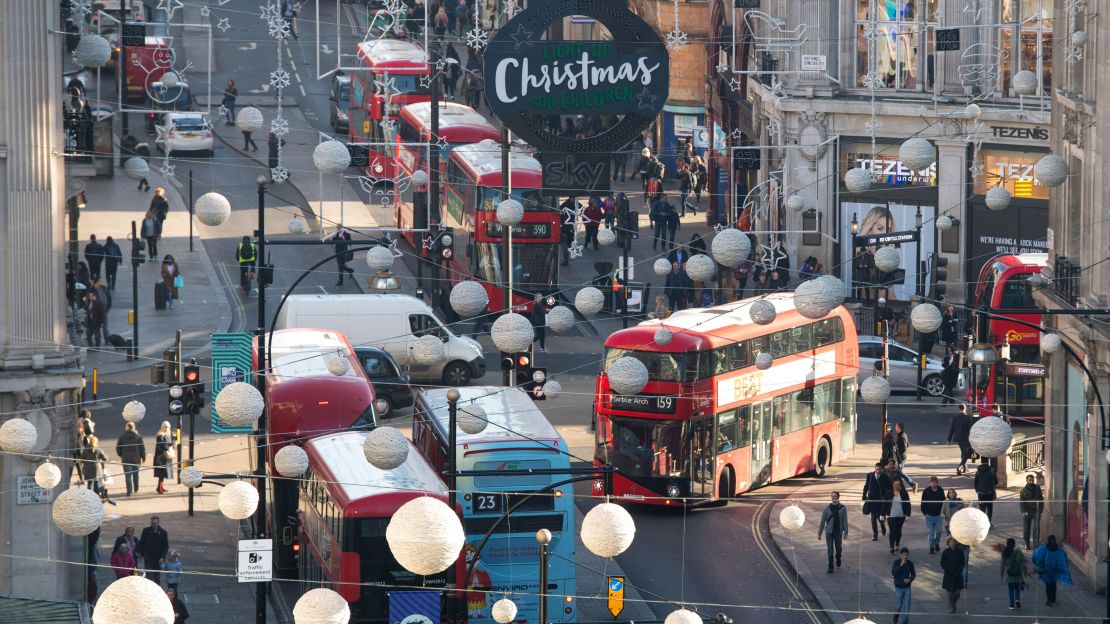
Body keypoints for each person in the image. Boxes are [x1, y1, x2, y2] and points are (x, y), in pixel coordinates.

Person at [1032, 535, 1071, 606]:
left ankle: (1049, 600)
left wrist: (1037, 564)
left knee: (1048, 585)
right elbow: (1064, 557)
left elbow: (1035, 555)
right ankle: (1053, 598)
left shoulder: (1043, 548)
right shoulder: (1059, 549)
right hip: (1054, 571)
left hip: (1046, 571)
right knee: (1053, 584)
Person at [817, 491, 848, 573]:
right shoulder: (827, 508)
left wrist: (846, 532)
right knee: (830, 550)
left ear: (838, 497)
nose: (833, 497)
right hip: (829, 533)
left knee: (838, 549)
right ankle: (830, 566)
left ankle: (838, 557)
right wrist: (819, 533)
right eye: (832, 496)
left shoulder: (843, 508)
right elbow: (822, 521)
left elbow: (845, 521)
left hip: (838, 532)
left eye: (834, 496)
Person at [115, 422, 147, 496]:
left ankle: (129, 491)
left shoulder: (122, 437)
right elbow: (142, 448)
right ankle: (136, 488)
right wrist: (143, 457)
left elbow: (118, 448)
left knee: (128, 476)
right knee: (136, 475)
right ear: (134, 427)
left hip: (126, 459)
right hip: (136, 459)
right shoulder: (138, 437)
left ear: (127, 427)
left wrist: (121, 455)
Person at [863, 462, 891, 541]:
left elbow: (889, 487)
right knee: (873, 519)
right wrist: (864, 497)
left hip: (881, 501)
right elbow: (866, 486)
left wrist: (887, 496)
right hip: (872, 500)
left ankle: (882, 525)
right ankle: (875, 534)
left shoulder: (885, 477)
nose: (878, 471)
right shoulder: (870, 475)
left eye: (879, 469)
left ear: (882, 469)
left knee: (881, 518)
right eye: (876, 469)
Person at [138, 516, 170, 584]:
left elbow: (165, 546)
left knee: (157, 578)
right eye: (152, 523)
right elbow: (142, 542)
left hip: (158, 558)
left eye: (155, 523)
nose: (153, 525)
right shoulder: (146, 531)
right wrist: (141, 553)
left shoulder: (163, 532)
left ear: (158, 523)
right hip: (148, 557)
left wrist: (162, 557)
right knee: (149, 576)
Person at [1001, 537, 1030, 609]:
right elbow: (1023, 563)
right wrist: (1025, 572)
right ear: (1014, 544)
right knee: (1017, 588)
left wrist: (1001, 573)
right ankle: (1017, 600)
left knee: (1010, 589)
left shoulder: (1005, 552)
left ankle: (1011, 604)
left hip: (1009, 574)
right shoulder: (1018, 552)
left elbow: (1002, 564)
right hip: (1018, 573)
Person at [920, 476, 945, 553]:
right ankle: (931, 546)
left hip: (938, 516)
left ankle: (936, 543)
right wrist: (924, 513)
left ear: (937, 483)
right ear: (930, 483)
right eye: (932, 482)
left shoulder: (940, 490)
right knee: (931, 532)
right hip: (929, 516)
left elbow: (944, 501)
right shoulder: (926, 491)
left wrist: (943, 512)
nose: (934, 484)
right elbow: (923, 503)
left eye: (935, 482)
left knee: (938, 532)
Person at [940, 537, 965, 614]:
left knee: (957, 592)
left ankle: (953, 602)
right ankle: (951, 607)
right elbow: (942, 562)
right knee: (949, 592)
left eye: (953, 542)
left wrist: (959, 570)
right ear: (948, 543)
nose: (952, 543)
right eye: (950, 542)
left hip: (957, 575)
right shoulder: (946, 552)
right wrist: (947, 569)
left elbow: (962, 562)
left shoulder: (959, 551)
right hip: (949, 575)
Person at [891, 547, 916, 624]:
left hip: (907, 588)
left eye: (907, 555)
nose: (905, 556)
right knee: (898, 606)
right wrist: (901, 565)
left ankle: (905, 622)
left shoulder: (910, 563)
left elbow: (913, 574)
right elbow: (893, 572)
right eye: (904, 555)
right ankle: (896, 615)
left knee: (906, 608)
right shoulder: (896, 562)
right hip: (899, 588)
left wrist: (910, 580)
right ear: (900, 555)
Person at [886, 478, 911, 553]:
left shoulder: (903, 492)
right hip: (891, 516)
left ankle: (897, 544)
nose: (897, 486)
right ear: (893, 485)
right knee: (892, 531)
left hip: (901, 515)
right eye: (896, 484)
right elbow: (885, 504)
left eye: (899, 484)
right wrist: (882, 514)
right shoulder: (889, 493)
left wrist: (908, 514)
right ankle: (891, 547)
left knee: (898, 531)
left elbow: (908, 503)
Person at [947, 404, 974, 474]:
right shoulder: (968, 417)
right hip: (966, 438)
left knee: (963, 452)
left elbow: (952, 429)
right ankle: (960, 466)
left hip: (958, 438)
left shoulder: (956, 417)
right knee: (966, 453)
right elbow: (971, 429)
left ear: (959, 409)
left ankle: (965, 468)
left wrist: (949, 439)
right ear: (965, 409)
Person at [1019, 474, 1044, 549]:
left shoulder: (1037, 488)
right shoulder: (1023, 491)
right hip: (1027, 512)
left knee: (1036, 528)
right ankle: (1027, 543)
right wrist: (1023, 511)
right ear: (1026, 481)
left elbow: (1041, 499)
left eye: (1032, 480)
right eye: (1029, 480)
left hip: (1036, 511)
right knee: (1026, 528)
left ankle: (1036, 543)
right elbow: (1022, 502)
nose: (1031, 481)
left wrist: (1040, 510)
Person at [893, 423, 917, 491]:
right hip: (901, 457)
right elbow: (908, 444)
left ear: (899, 428)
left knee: (900, 472)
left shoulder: (902, 436)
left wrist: (897, 449)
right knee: (899, 473)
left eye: (896, 427)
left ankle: (912, 484)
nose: (895, 428)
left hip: (901, 458)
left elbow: (904, 447)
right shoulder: (902, 435)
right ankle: (909, 485)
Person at [973, 457, 996, 522]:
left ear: (981, 461)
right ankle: (989, 522)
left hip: (981, 492)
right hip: (990, 492)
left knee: (982, 509)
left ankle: (982, 522)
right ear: (988, 461)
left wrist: (977, 490)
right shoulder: (991, 470)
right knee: (989, 509)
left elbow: (976, 482)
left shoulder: (978, 471)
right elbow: (996, 481)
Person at [154, 422, 174, 493]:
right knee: (161, 473)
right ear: (162, 427)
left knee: (163, 474)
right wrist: (169, 445)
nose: (167, 428)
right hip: (160, 458)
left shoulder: (166, 435)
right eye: (165, 427)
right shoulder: (160, 435)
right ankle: (159, 488)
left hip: (164, 457)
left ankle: (160, 487)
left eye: (168, 427)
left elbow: (166, 444)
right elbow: (162, 446)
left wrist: (171, 444)